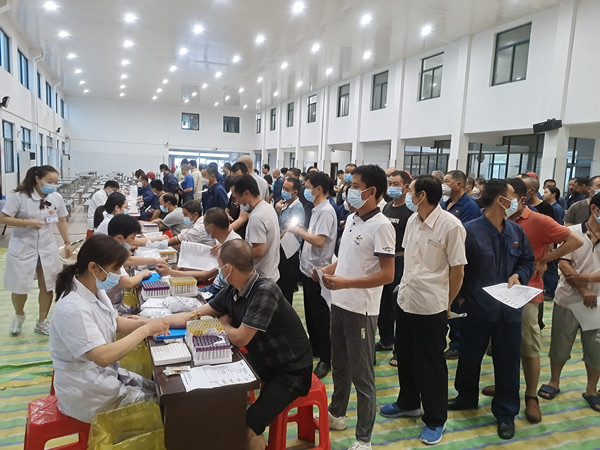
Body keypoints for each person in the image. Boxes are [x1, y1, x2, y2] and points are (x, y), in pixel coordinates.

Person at [167, 239, 312, 450]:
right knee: (219, 390)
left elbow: (241, 338)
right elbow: (195, 314)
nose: (218, 270)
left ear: (228, 268)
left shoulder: (265, 291)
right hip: (264, 359)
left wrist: (221, 325)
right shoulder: (233, 290)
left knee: (247, 426)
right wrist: (150, 324)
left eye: (219, 266)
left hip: (291, 370)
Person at [479, 178, 582, 424]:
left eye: (510, 197)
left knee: (528, 346)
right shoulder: (495, 220)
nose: (506, 202)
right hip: (497, 291)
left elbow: (574, 240)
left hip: (527, 292)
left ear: (521, 199)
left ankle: (531, 395)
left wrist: (546, 260)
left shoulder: (538, 220)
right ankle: (505, 385)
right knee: (501, 345)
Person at [380, 174, 466, 445]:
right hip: (407, 299)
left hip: (432, 306)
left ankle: (435, 418)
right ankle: (408, 402)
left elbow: (458, 270)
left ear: (423, 196)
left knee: (430, 364)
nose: (407, 194)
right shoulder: (413, 220)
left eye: (411, 191)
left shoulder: (451, 226)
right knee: (405, 356)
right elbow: (410, 259)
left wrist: (447, 303)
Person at [49, 234, 170, 423]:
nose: (118, 275)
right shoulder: (73, 308)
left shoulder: (94, 289)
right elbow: (103, 357)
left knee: (156, 388)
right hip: (87, 391)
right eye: (114, 269)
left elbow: (116, 322)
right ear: (93, 267)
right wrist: (145, 330)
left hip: (102, 376)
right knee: (164, 405)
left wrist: (148, 324)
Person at [449, 179, 535, 440]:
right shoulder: (469, 231)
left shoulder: (516, 231)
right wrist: (461, 299)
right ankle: (466, 396)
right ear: (501, 200)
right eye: (512, 196)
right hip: (477, 308)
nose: (517, 201)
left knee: (508, 361)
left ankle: (506, 413)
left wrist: (519, 275)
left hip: (509, 310)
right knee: (469, 355)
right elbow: (457, 268)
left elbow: (526, 261)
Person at [318, 165, 395, 450]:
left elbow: (387, 274)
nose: (348, 190)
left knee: (362, 375)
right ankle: (337, 413)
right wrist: (327, 270)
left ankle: (364, 439)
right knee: (340, 364)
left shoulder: (382, 226)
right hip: (339, 303)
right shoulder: (352, 218)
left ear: (371, 191)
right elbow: (347, 258)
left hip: (361, 310)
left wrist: (346, 283)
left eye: (355, 185)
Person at [539, 193, 600, 413]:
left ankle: (591, 389)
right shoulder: (572, 232)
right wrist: (583, 288)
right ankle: (554, 381)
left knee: (595, 348)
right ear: (594, 209)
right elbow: (563, 264)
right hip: (568, 298)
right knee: (560, 342)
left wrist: (585, 279)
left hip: (597, 303)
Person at [0, 165, 72, 336]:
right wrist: (26, 223)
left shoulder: (56, 198)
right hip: (23, 247)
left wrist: (67, 242)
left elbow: (61, 220)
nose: (53, 185)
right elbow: (3, 218)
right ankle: (19, 315)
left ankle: (42, 321)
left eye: (55, 182)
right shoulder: (20, 197)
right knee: (20, 286)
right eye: (49, 181)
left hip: (46, 247)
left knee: (47, 285)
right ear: (37, 179)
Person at [288, 172, 337, 379]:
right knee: (311, 315)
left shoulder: (326, 211)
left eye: (308, 187)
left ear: (318, 189)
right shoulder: (317, 209)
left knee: (321, 318)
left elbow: (319, 241)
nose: (305, 190)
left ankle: (326, 358)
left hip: (319, 272)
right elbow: (314, 234)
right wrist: (303, 229)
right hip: (308, 269)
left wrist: (298, 231)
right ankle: (315, 348)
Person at [442, 170, 481, 360]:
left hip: (459, 261)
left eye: (446, 181)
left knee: (457, 304)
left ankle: (457, 344)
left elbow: (465, 236)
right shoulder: (445, 203)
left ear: (458, 184)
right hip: (443, 263)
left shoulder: (469, 207)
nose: (443, 185)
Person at [376, 171, 413, 366]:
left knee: (398, 306)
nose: (391, 187)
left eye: (396, 183)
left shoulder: (411, 211)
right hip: (385, 258)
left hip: (401, 260)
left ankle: (400, 350)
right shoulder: (388, 206)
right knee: (383, 304)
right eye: (390, 183)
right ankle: (386, 340)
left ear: (406, 187)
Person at [231, 175, 280, 282]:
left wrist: (236, 257)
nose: (236, 202)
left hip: (262, 276)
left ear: (246, 193)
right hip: (271, 272)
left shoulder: (257, 217)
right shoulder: (267, 207)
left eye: (236, 197)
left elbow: (258, 251)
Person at [274, 176, 304, 303]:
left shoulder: (298, 207)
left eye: (287, 189)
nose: (284, 191)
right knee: (280, 284)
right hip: (280, 248)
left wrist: (279, 236)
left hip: (290, 251)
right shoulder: (284, 204)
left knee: (287, 286)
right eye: (283, 188)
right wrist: (277, 210)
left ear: (295, 192)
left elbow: (292, 228)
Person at [226, 162, 250, 238]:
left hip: (241, 235)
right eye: (232, 177)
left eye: (238, 177)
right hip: (232, 232)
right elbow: (227, 209)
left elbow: (242, 219)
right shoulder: (234, 192)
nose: (235, 181)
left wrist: (225, 232)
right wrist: (227, 216)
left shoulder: (247, 194)